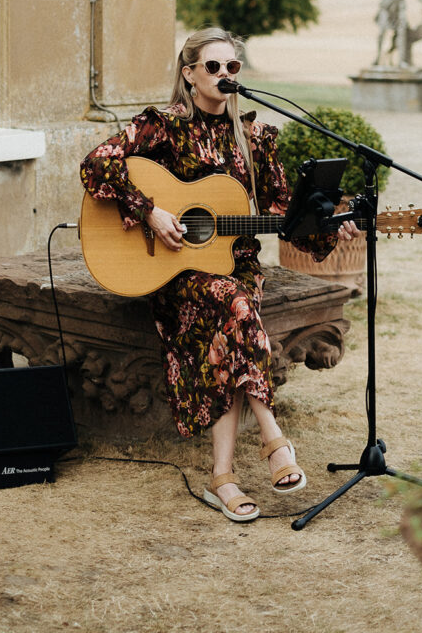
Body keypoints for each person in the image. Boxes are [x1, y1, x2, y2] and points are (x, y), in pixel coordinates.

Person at [80, 27, 360, 522]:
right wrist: (150, 212)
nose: (225, 75)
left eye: (233, 67)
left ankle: (223, 479)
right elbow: (97, 165)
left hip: (235, 267)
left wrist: (328, 227)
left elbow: (282, 215)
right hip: (174, 272)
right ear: (189, 74)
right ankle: (273, 440)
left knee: (235, 307)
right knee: (235, 307)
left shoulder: (253, 137)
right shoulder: (161, 126)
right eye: (213, 67)